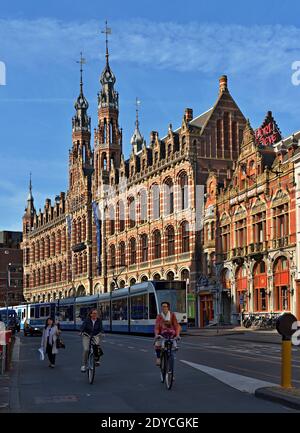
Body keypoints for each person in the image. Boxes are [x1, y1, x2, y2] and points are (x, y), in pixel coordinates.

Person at [154, 301, 181, 366]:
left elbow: (176, 325)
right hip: (162, 334)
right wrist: (157, 334)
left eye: (165, 306)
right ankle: (158, 358)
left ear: (168, 307)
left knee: (173, 343)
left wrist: (177, 335)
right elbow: (157, 326)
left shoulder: (172, 315)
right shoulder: (159, 316)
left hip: (171, 334)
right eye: (162, 306)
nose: (163, 308)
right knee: (157, 343)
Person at [80, 308, 103, 373]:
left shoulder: (99, 320)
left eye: (96, 313)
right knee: (86, 349)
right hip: (87, 335)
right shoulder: (87, 320)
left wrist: (102, 333)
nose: (95, 315)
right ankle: (84, 365)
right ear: (90, 314)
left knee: (97, 346)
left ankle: (97, 360)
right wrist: (81, 332)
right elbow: (82, 327)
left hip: (95, 335)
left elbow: (101, 328)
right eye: (94, 313)